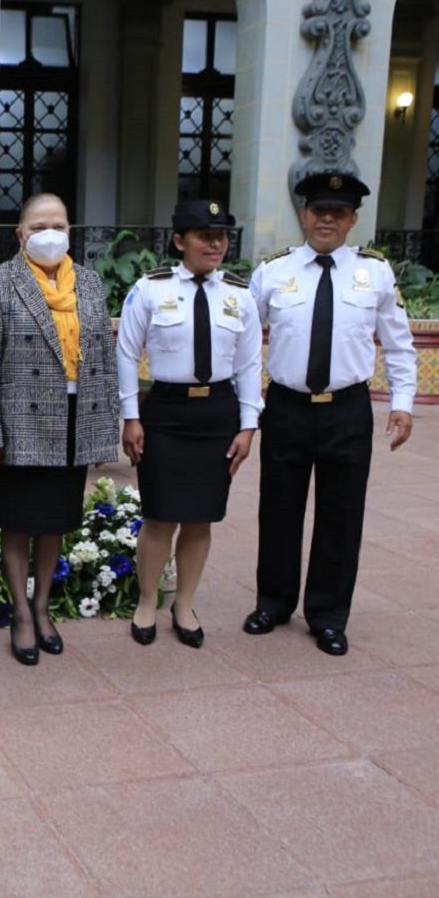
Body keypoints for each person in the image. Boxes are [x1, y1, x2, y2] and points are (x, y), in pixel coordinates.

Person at [244, 171, 416, 655]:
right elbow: (242, 344)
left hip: (346, 410)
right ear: (304, 214)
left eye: (338, 212)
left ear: (352, 220)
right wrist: (247, 407)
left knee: (341, 515)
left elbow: (399, 345)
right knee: (278, 509)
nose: (327, 219)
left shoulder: (376, 272)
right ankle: (273, 603)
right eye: (319, 210)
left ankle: (327, 615)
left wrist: (402, 402)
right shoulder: (273, 272)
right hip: (287, 407)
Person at [0, 193, 119, 665]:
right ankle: (20, 612)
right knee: (16, 522)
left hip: (74, 421)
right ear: (20, 235)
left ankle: (41, 605)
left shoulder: (89, 284)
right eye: (37, 227)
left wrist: (102, 431)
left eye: (58, 224)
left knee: (54, 521)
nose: (48, 234)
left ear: (70, 230)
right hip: (20, 425)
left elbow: (104, 362)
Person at [116, 200, 262, 648]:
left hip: (217, 414)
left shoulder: (240, 295)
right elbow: (125, 352)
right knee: (159, 516)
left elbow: (251, 363)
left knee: (200, 519)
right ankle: (146, 601)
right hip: (165, 412)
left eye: (221, 236)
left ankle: (185, 603)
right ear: (180, 241)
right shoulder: (150, 289)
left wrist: (247, 425)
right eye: (204, 235)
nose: (215, 243)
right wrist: (130, 416)